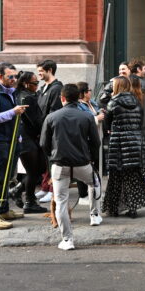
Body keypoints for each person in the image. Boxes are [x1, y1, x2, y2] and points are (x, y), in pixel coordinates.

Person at [40, 83, 102, 250]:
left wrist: (52, 157)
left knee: (60, 201)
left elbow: (43, 144)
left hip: (60, 164)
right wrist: (93, 161)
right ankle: (94, 214)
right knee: (95, 183)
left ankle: (67, 239)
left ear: (62, 98)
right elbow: (96, 143)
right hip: (83, 162)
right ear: (78, 97)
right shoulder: (87, 117)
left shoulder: (52, 117)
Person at [0, 62, 27, 230]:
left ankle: (3, 210)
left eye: (16, 76)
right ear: (0, 77)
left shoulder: (12, 93)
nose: (14, 79)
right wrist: (12, 112)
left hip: (11, 141)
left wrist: (19, 137)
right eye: (11, 77)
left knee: (7, 178)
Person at [102, 76, 145, 218]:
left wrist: (110, 129)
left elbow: (107, 123)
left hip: (119, 142)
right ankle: (133, 208)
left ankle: (113, 208)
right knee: (133, 176)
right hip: (136, 142)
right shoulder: (136, 101)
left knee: (116, 177)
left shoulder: (113, 102)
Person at [11, 71, 47, 214]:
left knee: (37, 170)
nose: (37, 86)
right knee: (33, 171)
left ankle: (18, 190)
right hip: (28, 139)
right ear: (26, 84)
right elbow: (35, 121)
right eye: (35, 83)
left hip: (28, 138)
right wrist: (43, 131)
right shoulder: (27, 98)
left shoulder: (22, 95)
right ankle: (29, 202)